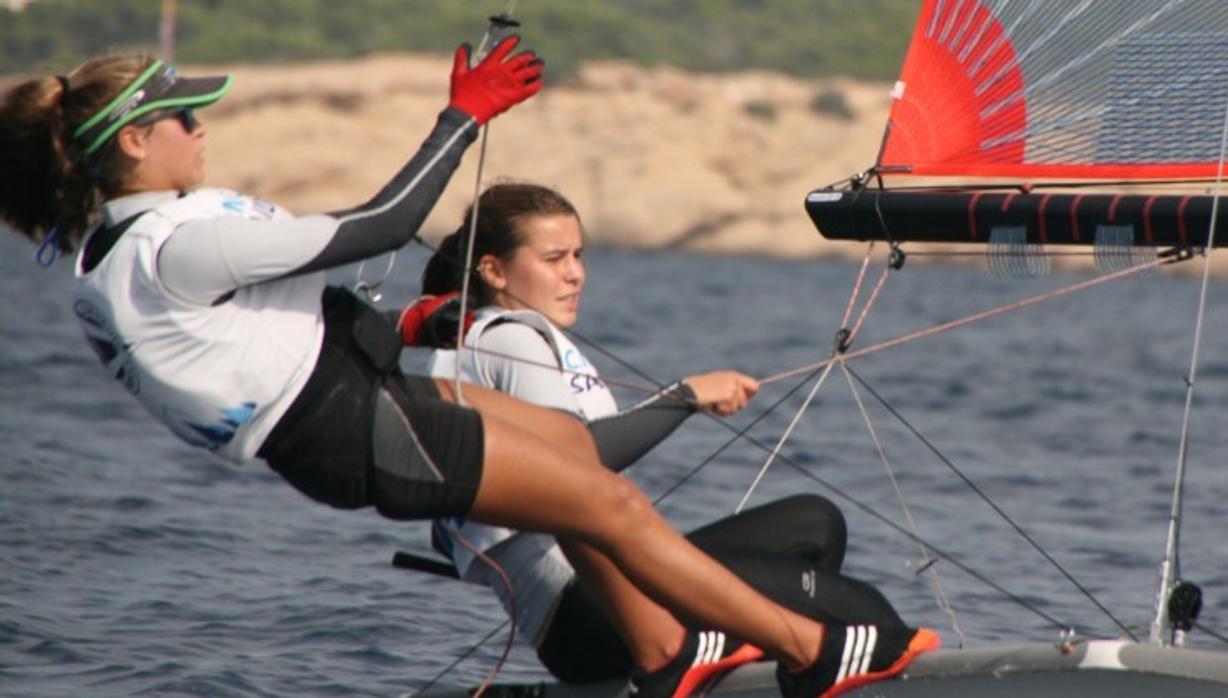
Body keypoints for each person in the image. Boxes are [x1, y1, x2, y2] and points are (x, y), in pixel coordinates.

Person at [0, 41, 937, 698]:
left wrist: (409, 320)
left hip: (352, 404)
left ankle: (665, 654)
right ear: (132, 141)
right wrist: (462, 117)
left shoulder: (112, 258)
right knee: (605, 502)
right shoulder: (173, 244)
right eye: (180, 115)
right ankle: (811, 653)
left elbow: (260, 334)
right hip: (351, 426)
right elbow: (384, 227)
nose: (200, 125)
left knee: (571, 447)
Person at [403, 183, 913, 687]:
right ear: (493, 270)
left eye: (579, 255)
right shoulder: (511, 337)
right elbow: (573, 466)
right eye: (555, 258)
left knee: (814, 524)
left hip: (590, 616)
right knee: (863, 613)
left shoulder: (477, 341)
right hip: (591, 614)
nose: (575, 274)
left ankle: (760, 677)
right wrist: (685, 396)